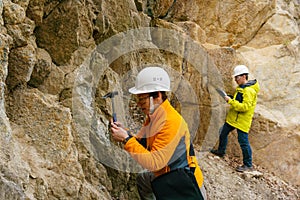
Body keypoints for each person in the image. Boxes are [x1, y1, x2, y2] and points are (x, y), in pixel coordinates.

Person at [110, 66, 207, 200]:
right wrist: (125, 133)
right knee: (143, 179)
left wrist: (126, 139)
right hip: (167, 176)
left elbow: (155, 163)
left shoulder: (171, 122)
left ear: (157, 95)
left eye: (142, 99)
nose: (139, 104)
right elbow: (141, 142)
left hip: (184, 185)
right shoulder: (154, 116)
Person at [210, 65, 260, 172]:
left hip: (242, 121)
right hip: (233, 119)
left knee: (243, 142)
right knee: (223, 132)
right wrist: (230, 97)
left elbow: (245, 107)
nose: (235, 79)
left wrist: (230, 101)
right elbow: (239, 100)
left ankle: (248, 165)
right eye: (235, 77)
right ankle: (221, 151)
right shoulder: (241, 88)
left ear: (244, 76)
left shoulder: (249, 91)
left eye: (237, 77)